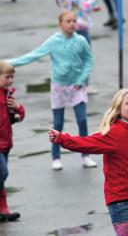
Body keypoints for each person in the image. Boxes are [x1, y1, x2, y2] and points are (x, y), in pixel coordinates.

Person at [48, 88, 128, 236]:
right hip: (121, 201)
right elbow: (85, 143)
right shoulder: (113, 133)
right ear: (118, 108)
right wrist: (61, 138)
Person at [8, 11, 97, 170]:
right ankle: (56, 157)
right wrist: (8, 63)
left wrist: (82, 79)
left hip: (77, 86)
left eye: (74, 21)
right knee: (58, 123)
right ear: (60, 23)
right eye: (68, 21)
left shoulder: (81, 41)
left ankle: (86, 155)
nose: (71, 23)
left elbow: (89, 60)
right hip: (58, 87)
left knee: (82, 120)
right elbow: (33, 56)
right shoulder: (53, 41)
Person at [0, 61, 24, 221]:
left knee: (1, 176)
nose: (10, 80)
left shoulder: (9, 95)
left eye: (12, 77)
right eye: (7, 77)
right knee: (2, 173)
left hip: (6, 143)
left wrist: (18, 107)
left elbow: (18, 117)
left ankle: (3, 210)